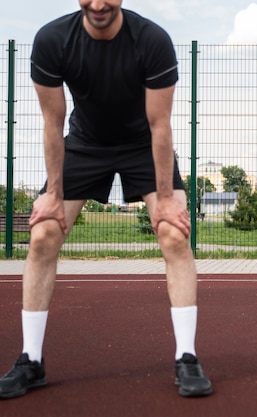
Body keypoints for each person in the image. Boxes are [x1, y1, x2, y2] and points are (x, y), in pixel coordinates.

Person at [0, 0, 212, 399]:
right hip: (83, 144)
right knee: (44, 233)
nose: (98, 4)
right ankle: (31, 359)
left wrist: (166, 198)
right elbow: (52, 121)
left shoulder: (151, 40)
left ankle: (187, 356)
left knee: (174, 234)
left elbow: (160, 123)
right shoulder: (52, 40)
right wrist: (53, 193)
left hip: (143, 146)